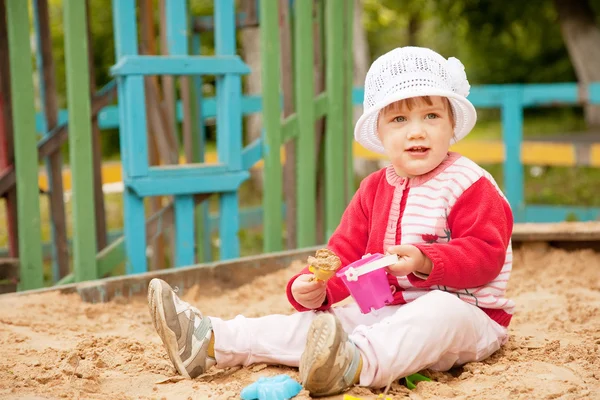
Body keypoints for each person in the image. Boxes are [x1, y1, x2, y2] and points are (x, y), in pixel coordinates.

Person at [147, 46, 514, 397]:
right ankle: (210, 340)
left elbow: (486, 256)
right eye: (399, 119)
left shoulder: (470, 184)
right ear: (380, 133)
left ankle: (354, 363)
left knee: (438, 313)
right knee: (321, 323)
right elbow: (344, 254)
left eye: (431, 116)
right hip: (387, 310)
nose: (416, 131)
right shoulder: (374, 188)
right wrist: (317, 289)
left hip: (469, 317)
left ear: (452, 125)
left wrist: (425, 260)